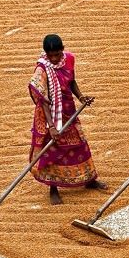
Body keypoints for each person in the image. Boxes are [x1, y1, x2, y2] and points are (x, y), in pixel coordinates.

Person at [28, 34, 106, 205]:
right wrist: (51, 126)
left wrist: (81, 97)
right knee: (52, 150)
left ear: (62, 50)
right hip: (50, 115)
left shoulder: (69, 59)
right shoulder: (41, 70)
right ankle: (53, 188)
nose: (54, 59)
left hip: (68, 111)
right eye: (51, 56)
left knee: (79, 144)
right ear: (46, 54)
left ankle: (89, 179)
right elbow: (42, 100)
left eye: (57, 54)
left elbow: (71, 82)